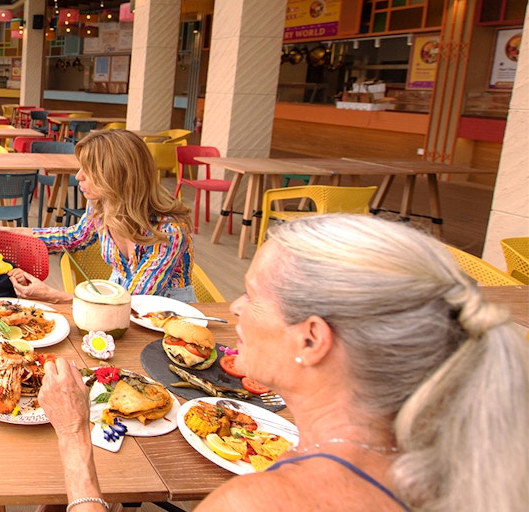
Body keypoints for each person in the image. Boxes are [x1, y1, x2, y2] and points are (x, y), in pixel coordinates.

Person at [41, 214, 529, 512]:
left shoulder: (261, 503)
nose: (232, 308)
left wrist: (74, 444)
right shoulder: (468, 459)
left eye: (252, 295)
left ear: (312, 338)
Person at [7, 129, 194, 303]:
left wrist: (52, 295)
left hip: (168, 316)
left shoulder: (170, 230)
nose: (79, 176)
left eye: (89, 170)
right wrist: (9, 235)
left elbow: (132, 303)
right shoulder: (101, 204)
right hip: (113, 300)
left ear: (118, 175)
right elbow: (74, 237)